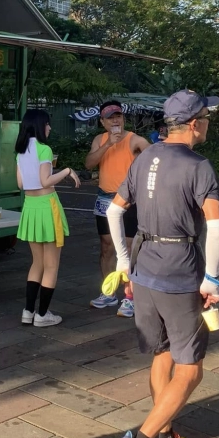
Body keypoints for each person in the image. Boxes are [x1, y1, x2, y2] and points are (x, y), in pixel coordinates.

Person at [104, 90, 219, 438]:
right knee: (190, 369)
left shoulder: (145, 157)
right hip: (179, 271)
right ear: (194, 124)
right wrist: (211, 278)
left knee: (161, 355)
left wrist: (123, 263)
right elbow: (216, 226)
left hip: (144, 268)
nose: (208, 122)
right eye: (206, 117)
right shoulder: (199, 166)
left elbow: (114, 211)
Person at [15, 108, 81, 327]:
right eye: (47, 123)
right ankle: (42, 315)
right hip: (47, 206)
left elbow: (21, 184)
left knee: (37, 263)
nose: (50, 127)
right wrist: (67, 171)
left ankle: (28, 311)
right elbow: (46, 181)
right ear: (39, 126)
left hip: (30, 207)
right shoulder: (44, 149)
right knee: (51, 265)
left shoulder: (21, 151)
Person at [85, 101, 149, 316]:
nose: (115, 120)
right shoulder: (99, 140)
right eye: (110, 117)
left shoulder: (134, 140)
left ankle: (130, 296)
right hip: (105, 198)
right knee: (106, 247)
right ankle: (108, 292)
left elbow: (154, 156)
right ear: (103, 122)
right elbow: (88, 164)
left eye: (118, 116)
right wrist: (107, 145)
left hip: (129, 200)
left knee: (129, 249)